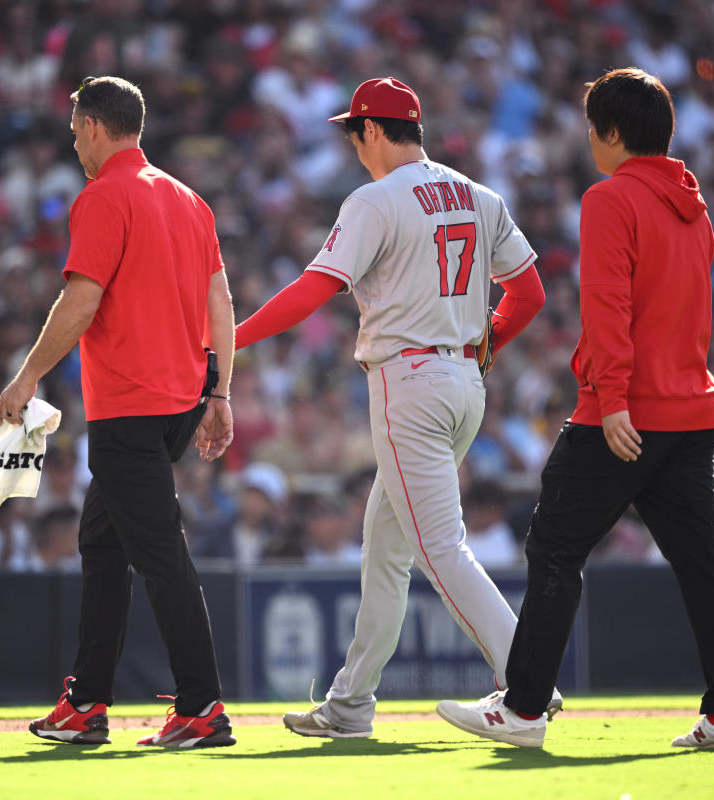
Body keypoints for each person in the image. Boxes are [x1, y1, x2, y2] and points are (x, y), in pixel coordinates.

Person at [437, 68, 714, 750]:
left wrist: (610, 400)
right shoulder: (695, 210)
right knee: (703, 560)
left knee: (553, 547)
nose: (588, 139)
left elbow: (608, 305)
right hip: (692, 410)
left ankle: (522, 710)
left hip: (625, 412)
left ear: (613, 134)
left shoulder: (611, 199)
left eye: (592, 128)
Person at [234, 77, 553, 738]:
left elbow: (312, 289)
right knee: (385, 546)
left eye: (355, 132)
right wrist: (482, 347)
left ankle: (527, 685)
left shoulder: (375, 199)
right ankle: (351, 704)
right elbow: (528, 293)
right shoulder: (479, 194)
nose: (354, 145)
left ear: (372, 131)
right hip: (465, 382)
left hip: (410, 383)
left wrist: (230, 339)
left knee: (438, 548)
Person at [0, 76, 236, 749]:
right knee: (103, 543)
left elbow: (80, 302)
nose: (75, 143)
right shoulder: (190, 200)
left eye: (76, 131)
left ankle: (201, 707)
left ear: (97, 127)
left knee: (160, 555)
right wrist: (221, 393)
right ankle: (87, 701)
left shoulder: (103, 197)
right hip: (181, 401)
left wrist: (26, 378)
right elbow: (222, 301)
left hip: (128, 407)